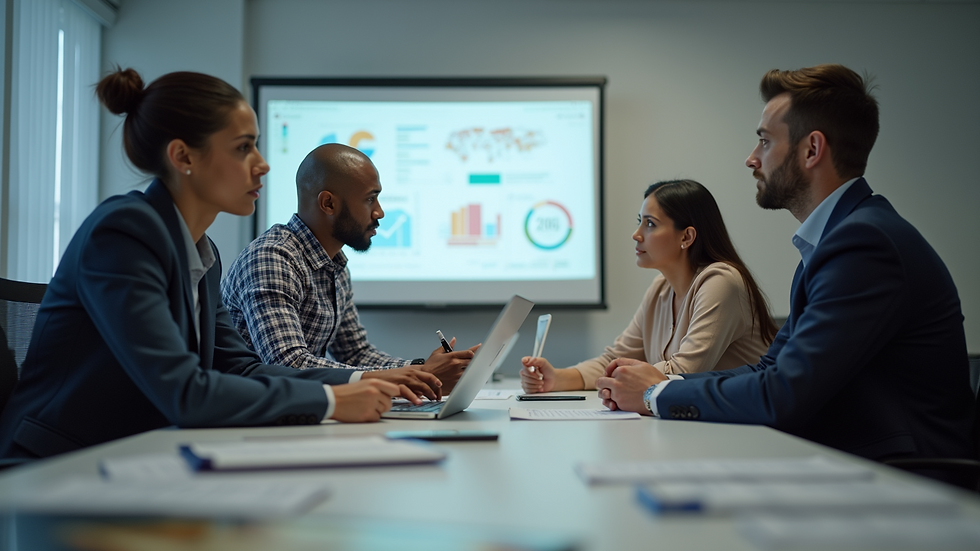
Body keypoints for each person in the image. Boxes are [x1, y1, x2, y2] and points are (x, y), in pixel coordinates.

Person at [0, 68, 437, 460]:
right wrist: (331, 401)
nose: (262, 165)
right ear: (183, 157)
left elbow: (241, 367)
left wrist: (356, 385)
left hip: (138, 456)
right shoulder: (123, 232)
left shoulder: (202, 253)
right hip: (57, 464)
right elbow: (184, 391)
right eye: (244, 148)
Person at [597, 64, 974, 468]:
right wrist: (664, 383)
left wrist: (656, 394)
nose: (751, 159)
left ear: (812, 150)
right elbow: (770, 369)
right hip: (858, 462)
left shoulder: (864, 244)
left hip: (903, 477)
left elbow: (783, 394)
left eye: (764, 141)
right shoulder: (838, 239)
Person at [221, 144, 475, 395]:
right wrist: (414, 377)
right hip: (251, 411)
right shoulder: (273, 258)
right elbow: (289, 364)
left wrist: (421, 371)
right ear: (328, 204)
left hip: (294, 406)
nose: (380, 212)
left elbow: (355, 354)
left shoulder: (335, 263)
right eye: (370, 199)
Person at [520, 179, 776, 394]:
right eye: (639, 221)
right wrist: (557, 378)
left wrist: (618, 376)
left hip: (751, 428)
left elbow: (683, 374)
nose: (636, 234)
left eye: (650, 224)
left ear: (686, 236)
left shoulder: (721, 282)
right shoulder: (661, 289)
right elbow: (613, 359)